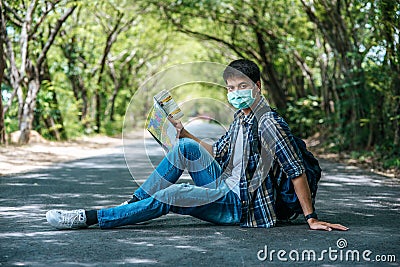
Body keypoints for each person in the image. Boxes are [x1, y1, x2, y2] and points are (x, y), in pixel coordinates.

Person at [46, 59, 348, 232]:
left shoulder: (268, 123)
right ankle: (132, 202)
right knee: (184, 150)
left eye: (243, 87)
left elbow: (297, 171)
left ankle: (92, 217)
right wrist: (184, 133)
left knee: (173, 194)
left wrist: (312, 219)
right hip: (225, 184)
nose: (236, 93)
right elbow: (217, 151)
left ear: (257, 87)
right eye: (231, 88)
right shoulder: (241, 117)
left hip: (241, 205)